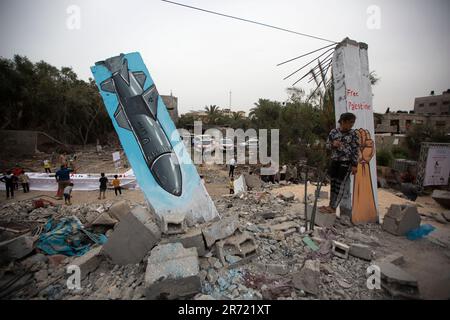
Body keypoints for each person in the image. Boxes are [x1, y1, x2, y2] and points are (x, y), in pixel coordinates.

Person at [320, 112, 359, 215]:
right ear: (343, 121)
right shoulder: (333, 132)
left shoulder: (353, 134)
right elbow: (327, 145)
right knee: (333, 184)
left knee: (340, 185)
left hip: (346, 163)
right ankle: (330, 205)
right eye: (350, 122)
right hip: (335, 161)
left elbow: (356, 150)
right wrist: (333, 144)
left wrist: (355, 165)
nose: (352, 125)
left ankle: (333, 207)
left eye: (353, 123)